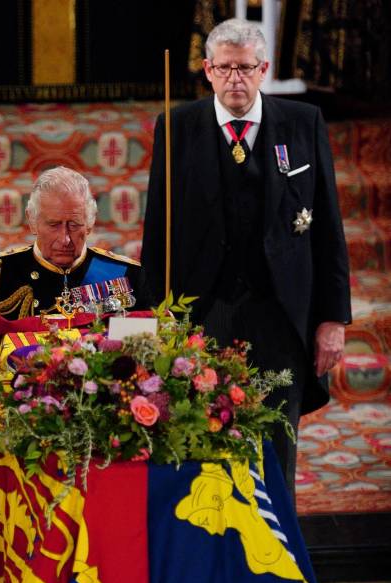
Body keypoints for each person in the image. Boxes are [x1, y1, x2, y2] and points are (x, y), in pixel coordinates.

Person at [141, 17, 352, 493]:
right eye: (225, 68)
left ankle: (277, 556)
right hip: (205, 310)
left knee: (277, 444)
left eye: (246, 68)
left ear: (264, 69)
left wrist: (333, 319)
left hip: (280, 312)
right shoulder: (176, 127)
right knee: (202, 444)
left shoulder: (303, 124)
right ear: (207, 70)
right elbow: (157, 230)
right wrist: (156, 315)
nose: (236, 78)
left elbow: (329, 229)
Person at [0, 165, 146, 364]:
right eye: (54, 225)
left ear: (90, 224)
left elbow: (149, 340)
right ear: (32, 221)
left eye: (74, 225)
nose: (65, 239)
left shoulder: (124, 274)